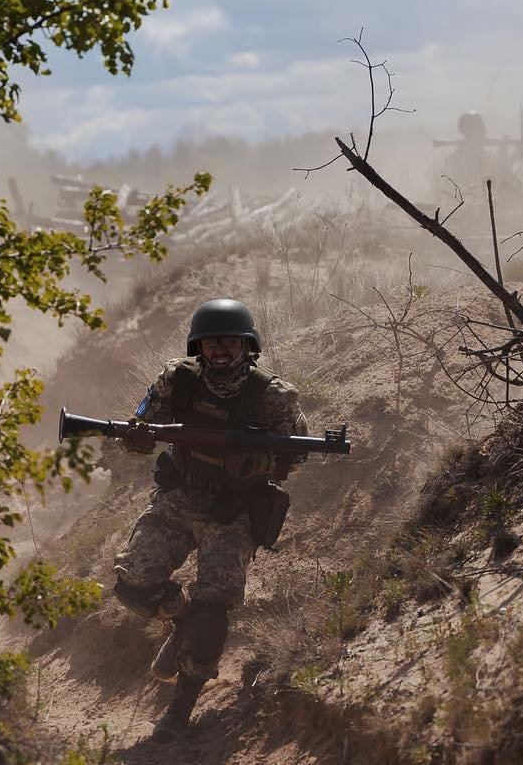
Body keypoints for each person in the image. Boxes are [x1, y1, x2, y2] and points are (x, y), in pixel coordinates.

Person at [111, 298, 309, 741]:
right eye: (212, 343)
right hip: (179, 498)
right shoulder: (177, 380)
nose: (220, 351)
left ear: (247, 345)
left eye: (229, 342)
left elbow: (297, 450)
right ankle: (179, 619)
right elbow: (143, 418)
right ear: (199, 347)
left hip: (234, 512)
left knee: (211, 619)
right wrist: (138, 434)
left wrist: (263, 453)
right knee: (133, 583)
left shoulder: (273, 396)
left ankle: (179, 709)